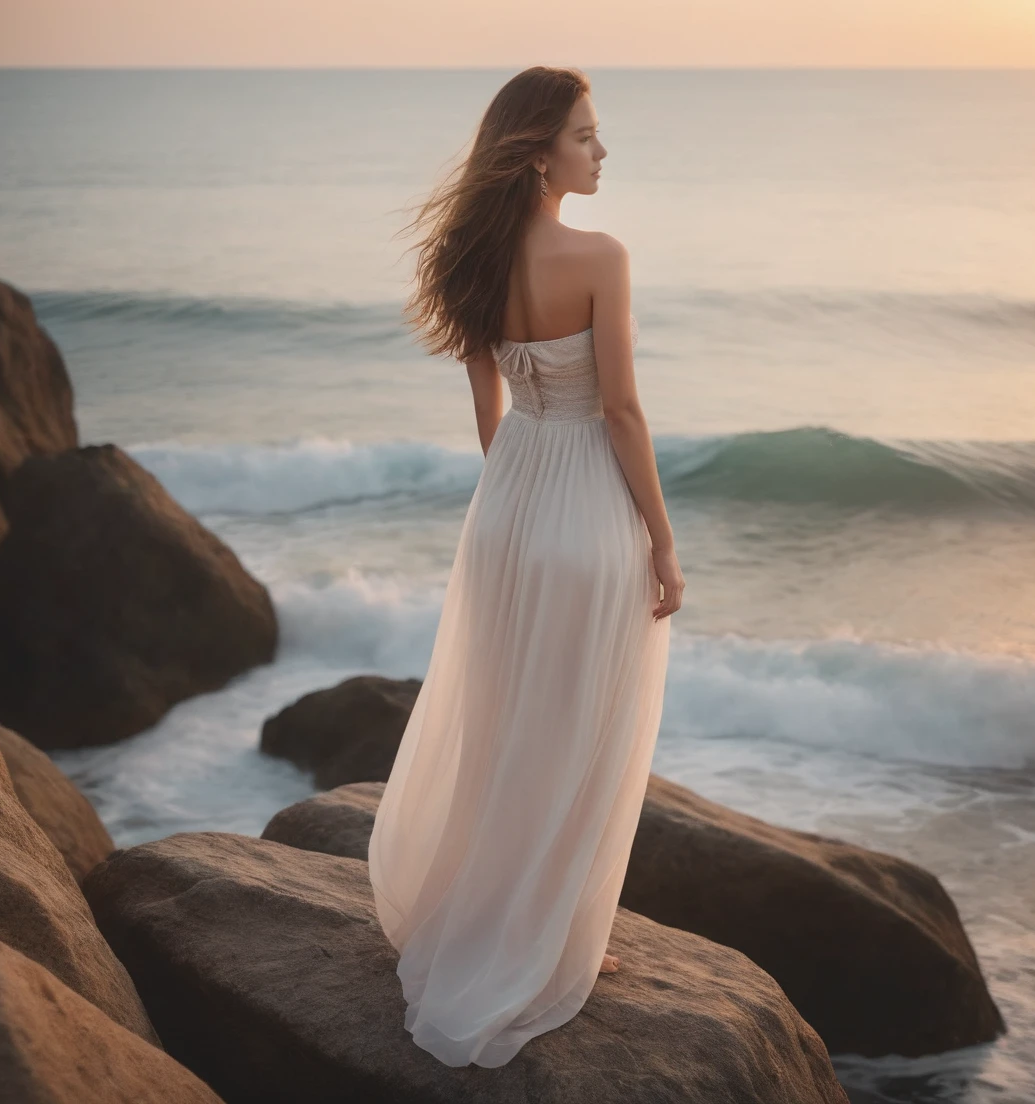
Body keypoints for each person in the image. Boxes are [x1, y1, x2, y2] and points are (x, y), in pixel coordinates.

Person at [366, 65, 684, 1068]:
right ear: (541, 150)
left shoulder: (475, 256)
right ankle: (544, 951)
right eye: (587, 136)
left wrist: (511, 482)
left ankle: (495, 922)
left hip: (507, 504)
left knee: (506, 721)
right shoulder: (601, 254)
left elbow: (488, 404)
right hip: (587, 500)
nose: (601, 151)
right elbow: (623, 411)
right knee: (580, 728)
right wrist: (664, 541)